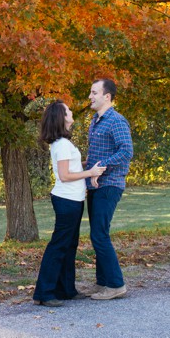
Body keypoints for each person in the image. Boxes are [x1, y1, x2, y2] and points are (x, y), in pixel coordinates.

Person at [33, 100, 106, 307]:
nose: (71, 112)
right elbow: (65, 176)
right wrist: (90, 172)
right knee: (59, 245)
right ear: (61, 117)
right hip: (67, 200)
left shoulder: (63, 142)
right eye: (68, 110)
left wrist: (86, 164)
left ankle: (66, 290)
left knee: (69, 245)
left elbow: (69, 168)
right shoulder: (63, 144)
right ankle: (44, 293)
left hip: (73, 199)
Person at [84, 78, 133, 300]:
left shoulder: (116, 121)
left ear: (107, 96)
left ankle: (116, 285)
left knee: (99, 234)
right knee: (97, 234)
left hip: (110, 184)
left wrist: (101, 167)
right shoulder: (95, 121)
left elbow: (126, 151)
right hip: (95, 185)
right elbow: (98, 155)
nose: (90, 97)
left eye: (94, 93)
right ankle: (102, 282)